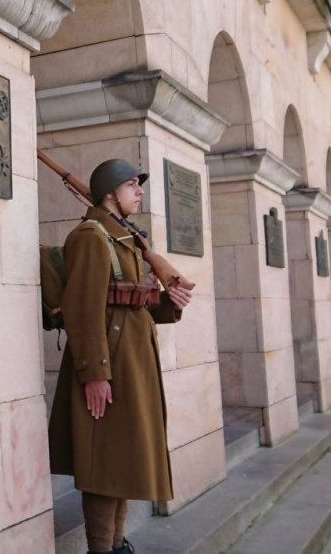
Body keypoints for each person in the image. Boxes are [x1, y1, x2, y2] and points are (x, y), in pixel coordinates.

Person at [47, 159, 192, 554]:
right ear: (110, 192)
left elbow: (130, 301)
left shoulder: (124, 239)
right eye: (132, 184)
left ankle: (116, 545)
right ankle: (102, 548)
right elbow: (82, 309)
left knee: (122, 456)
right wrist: (95, 373)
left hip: (131, 361)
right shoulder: (91, 238)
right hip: (108, 362)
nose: (139, 191)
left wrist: (168, 302)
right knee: (103, 464)